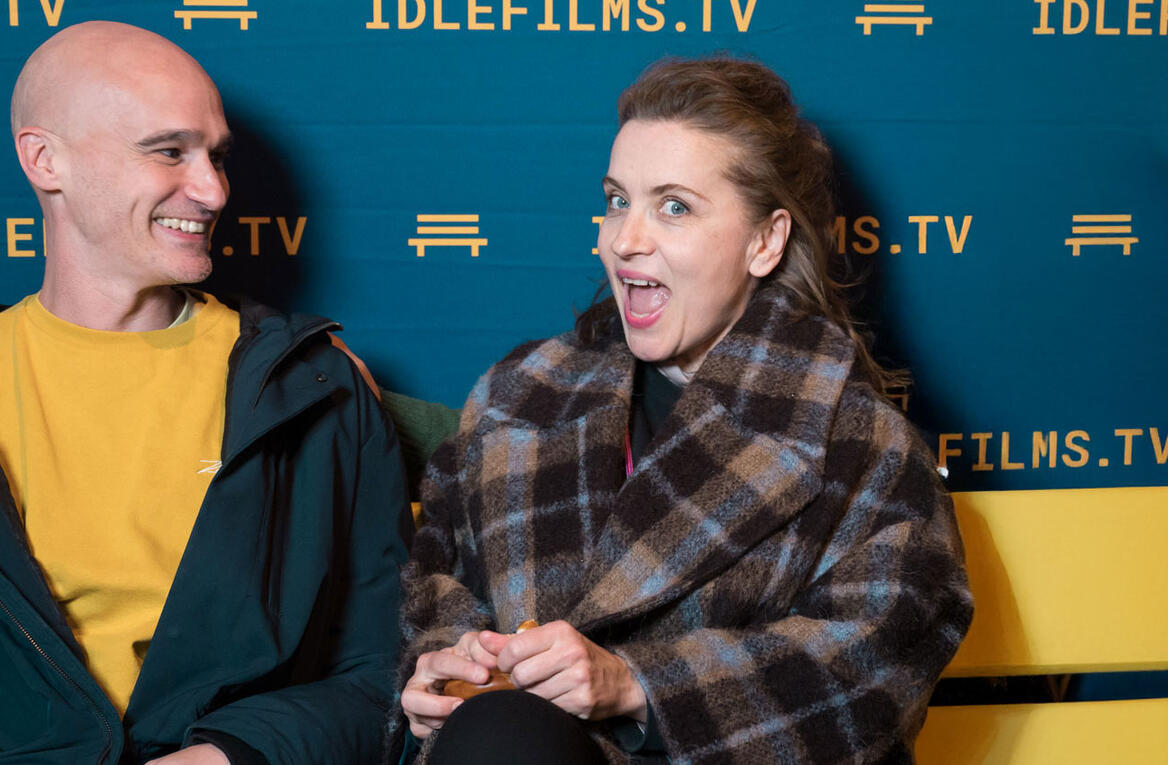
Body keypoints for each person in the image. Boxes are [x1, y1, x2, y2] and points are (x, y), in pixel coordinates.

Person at [0, 21, 410, 764]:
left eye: (217, 155)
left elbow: (387, 674)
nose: (214, 189)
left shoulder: (317, 390)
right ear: (44, 159)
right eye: (168, 150)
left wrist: (230, 756)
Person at [392, 55, 973, 764]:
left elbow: (871, 669)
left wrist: (636, 684)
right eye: (616, 200)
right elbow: (435, 578)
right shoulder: (518, 395)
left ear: (766, 241)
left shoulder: (860, 445)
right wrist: (445, 672)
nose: (626, 237)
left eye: (675, 206)